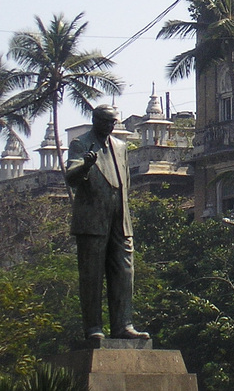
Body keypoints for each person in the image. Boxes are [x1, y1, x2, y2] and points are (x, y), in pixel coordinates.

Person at [65, 104, 149, 341]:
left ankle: (123, 324)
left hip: (119, 218)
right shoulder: (80, 144)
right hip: (92, 220)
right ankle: (93, 327)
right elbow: (71, 178)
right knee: (91, 275)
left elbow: (126, 182)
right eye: (106, 122)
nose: (111, 126)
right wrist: (86, 164)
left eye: (114, 122)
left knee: (124, 271)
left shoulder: (121, 147)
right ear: (95, 121)